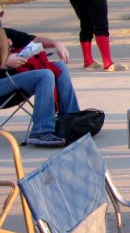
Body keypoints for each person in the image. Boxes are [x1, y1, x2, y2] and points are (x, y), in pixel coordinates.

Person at [0, 10, 81, 147]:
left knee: (59, 67)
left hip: (15, 84)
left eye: (1, 13)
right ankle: (41, 131)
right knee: (44, 75)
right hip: (3, 87)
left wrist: (56, 43)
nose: (1, 16)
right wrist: (5, 61)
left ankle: (70, 121)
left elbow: (35, 41)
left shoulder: (6, 33)